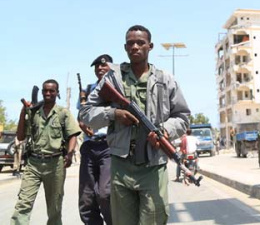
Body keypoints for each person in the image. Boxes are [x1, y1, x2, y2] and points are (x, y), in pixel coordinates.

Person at [80, 25, 190, 225]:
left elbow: (183, 117)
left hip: (153, 164)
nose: (135, 47)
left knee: (154, 219)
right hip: (121, 165)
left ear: (150, 46)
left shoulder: (165, 79)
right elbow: (86, 113)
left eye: (141, 43)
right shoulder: (112, 78)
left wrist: (165, 131)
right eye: (130, 43)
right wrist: (113, 113)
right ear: (125, 47)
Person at [11, 79, 81, 225]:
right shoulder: (34, 112)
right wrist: (24, 111)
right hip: (33, 164)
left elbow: (73, 134)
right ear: (42, 92)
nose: (48, 93)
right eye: (45, 91)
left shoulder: (63, 113)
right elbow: (20, 136)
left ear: (57, 92)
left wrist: (69, 154)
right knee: (23, 203)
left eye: (51, 91)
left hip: (55, 164)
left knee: (54, 207)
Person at [77, 54, 114, 225]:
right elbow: (81, 117)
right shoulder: (88, 90)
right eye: (97, 66)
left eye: (103, 65)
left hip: (109, 145)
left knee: (105, 193)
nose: (100, 68)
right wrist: (84, 125)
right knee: (86, 199)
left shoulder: (117, 88)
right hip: (89, 145)